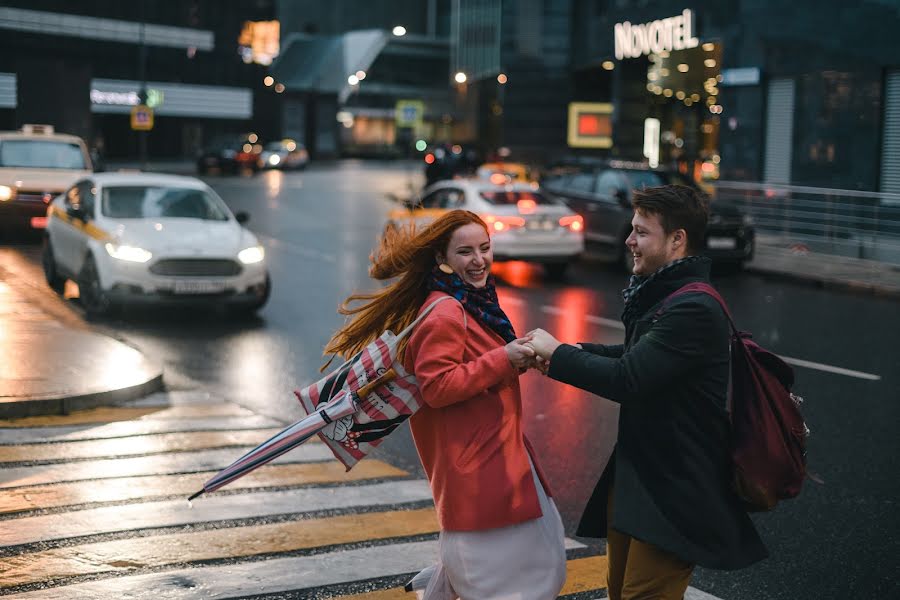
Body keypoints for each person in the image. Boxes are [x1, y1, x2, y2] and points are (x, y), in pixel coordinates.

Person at [525, 185, 767, 600]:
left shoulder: (692, 307)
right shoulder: (667, 294)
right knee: (619, 592)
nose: (628, 241)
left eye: (641, 232)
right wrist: (575, 352)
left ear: (677, 240)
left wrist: (560, 354)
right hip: (642, 477)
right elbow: (638, 356)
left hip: (674, 489)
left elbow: (628, 379)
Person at [323, 209, 567, 600]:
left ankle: (445, 583)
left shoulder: (470, 301)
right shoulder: (447, 312)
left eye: (485, 249)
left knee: (530, 561)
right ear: (442, 259)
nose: (479, 261)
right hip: (478, 467)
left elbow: (472, 371)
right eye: (465, 252)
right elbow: (437, 387)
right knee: (521, 574)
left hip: (496, 454)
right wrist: (505, 358)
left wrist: (516, 360)